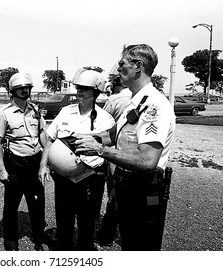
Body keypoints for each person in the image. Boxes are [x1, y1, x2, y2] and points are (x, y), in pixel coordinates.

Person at [73, 44, 176, 251]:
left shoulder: (154, 106)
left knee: (140, 247)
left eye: (122, 65)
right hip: (128, 185)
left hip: (144, 188)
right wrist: (85, 139)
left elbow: (147, 160)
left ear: (138, 66)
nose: (118, 69)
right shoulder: (136, 102)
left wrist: (100, 151)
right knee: (129, 243)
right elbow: (114, 135)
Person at [38, 68, 115, 251]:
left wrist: (112, 183)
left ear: (95, 92)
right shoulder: (65, 112)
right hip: (64, 179)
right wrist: (43, 165)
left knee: (87, 223)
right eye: (78, 88)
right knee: (63, 220)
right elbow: (49, 140)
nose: (79, 91)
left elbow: (111, 152)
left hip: (91, 178)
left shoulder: (106, 119)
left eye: (85, 89)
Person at [0, 72, 46, 251]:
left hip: (34, 163)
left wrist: (46, 162)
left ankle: (39, 238)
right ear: (12, 92)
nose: (24, 91)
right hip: (14, 164)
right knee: (11, 206)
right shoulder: (4, 114)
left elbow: (42, 135)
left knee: (37, 203)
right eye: (20, 89)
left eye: (27, 88)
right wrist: (2, 169)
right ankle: (11, 242)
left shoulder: (36, 111)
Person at [94, 66, 131, 247]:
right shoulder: (139, 98)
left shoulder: (115, 100)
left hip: (115, 153)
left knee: (114, 196)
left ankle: (107, 235)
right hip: (133, 155)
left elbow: (104, 123)